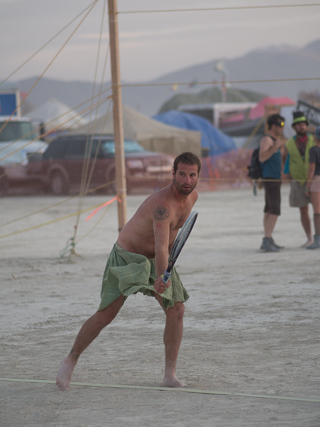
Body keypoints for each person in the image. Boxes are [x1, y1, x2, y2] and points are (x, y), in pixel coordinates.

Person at [56, 152, 201, 391]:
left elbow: (169, 242)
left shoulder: (192, 197)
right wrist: (161, 275)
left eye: (192, 175)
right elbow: (160, 244)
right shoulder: (162, 206)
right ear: (173, 174)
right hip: (128, 257)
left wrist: (163, 275)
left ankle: (169, 375)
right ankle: (70, 358)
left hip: (157, 257)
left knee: (176, 311)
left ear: (198, 177)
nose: (187, 179)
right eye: (182, 174)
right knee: (106, 315)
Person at [283, 111, 315, 247]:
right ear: (294, 127)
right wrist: (286, 173)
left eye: (303, 124)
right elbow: (287, 158)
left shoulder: (315, 139)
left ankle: (317, 236)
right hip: (298, 180)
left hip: (314, 178)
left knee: (318, 209)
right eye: (299, 125)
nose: (302, 127)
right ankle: (309, 238)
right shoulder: (289, 143)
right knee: (303, 210)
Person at [258, 113, 286, 252]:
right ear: (273, 125)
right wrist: (275, 147)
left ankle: (268, 237)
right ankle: (266, 239)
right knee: (274, 209)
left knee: (269, 209)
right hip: (270, 178)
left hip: (274, 178)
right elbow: (262, 157)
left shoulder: (274, 139)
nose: (282, 127)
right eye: (281, 124)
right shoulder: (267, 139)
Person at [305, 126, 320, 249]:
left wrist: (307, 186)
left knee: (317, 212)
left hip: (317, 181)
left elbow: (311, 169)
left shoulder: (314, 150)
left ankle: (318, 239)